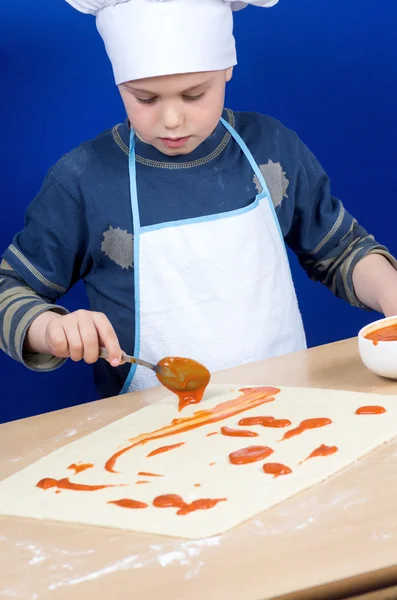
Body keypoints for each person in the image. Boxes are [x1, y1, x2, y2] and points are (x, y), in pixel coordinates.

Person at [1, 0, 397, 399]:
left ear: (227, 69)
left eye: (194, 94)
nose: (172, 119)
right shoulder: (84, 181)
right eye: (146, 99)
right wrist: (48, 327)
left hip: (286, 404)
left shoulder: (272, 151)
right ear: (119, 84)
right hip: (150, 430)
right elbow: (8, 290)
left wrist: (389, 291)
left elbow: (342, 251)